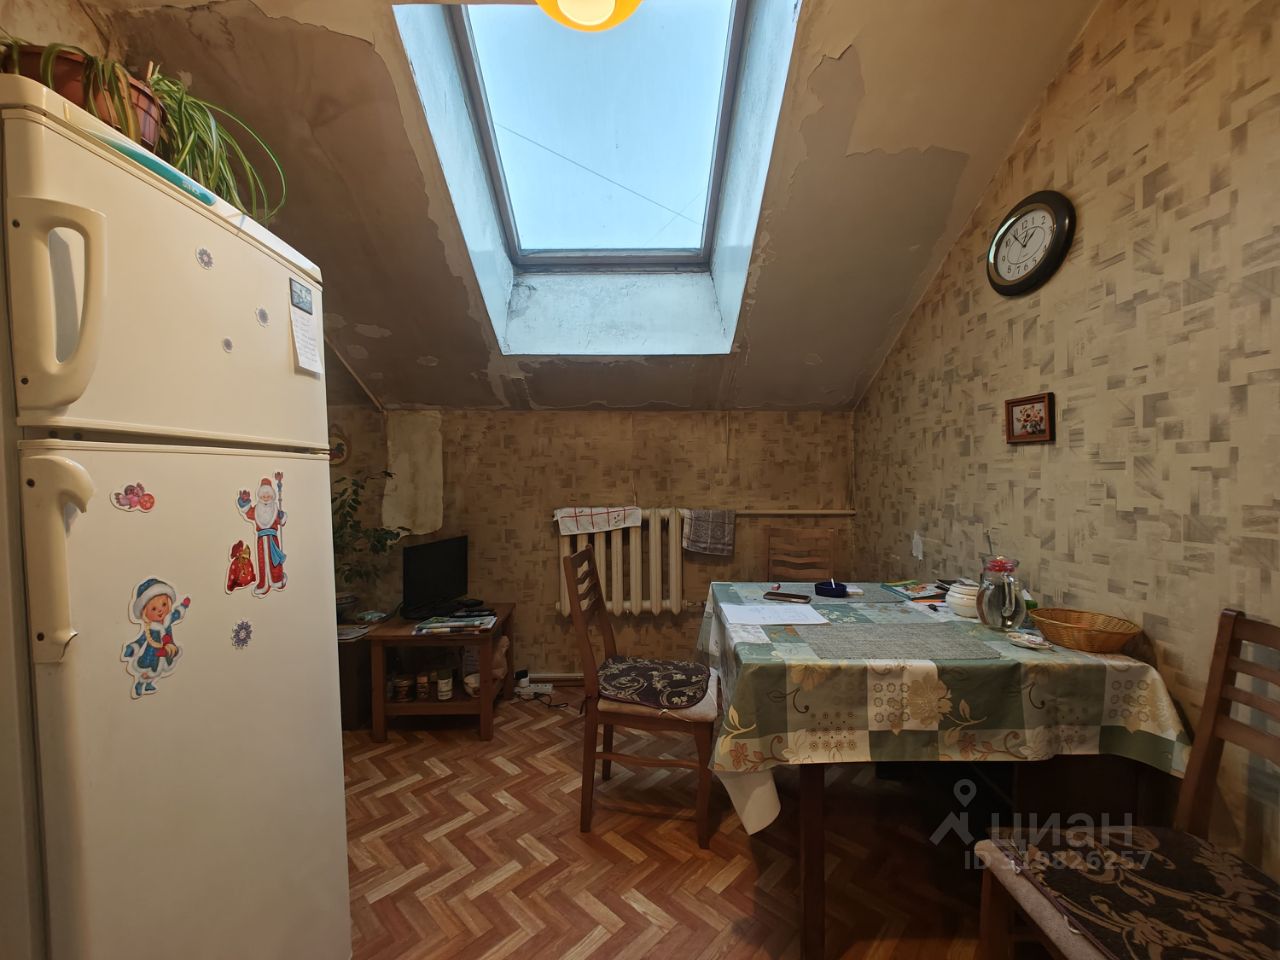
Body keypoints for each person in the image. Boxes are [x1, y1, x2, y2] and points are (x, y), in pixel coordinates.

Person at [122, 578, 190, 699]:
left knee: (160, 670)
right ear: (144, 612)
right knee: (150, 671)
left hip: (167, 651)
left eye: (163, 604)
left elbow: (177, 614)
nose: (160, 610)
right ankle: (140, 684)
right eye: (153, 609)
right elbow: (141, 640)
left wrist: (183, 606)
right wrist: (132, 648)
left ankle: (149, 685)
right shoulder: (150, 628)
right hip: (152, 654)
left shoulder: (168, 620)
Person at [236, 474, 287, 596]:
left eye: (268, 495)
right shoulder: (257, 509)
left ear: (272, 496)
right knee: (262, 561)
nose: (266, 497)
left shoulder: (275, 509)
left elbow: (281, 520)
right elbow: (248, 512)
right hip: (260, 540)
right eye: (263, 495)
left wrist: (281, 516)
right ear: (259, 496)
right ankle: (263, 583)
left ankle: (277, 580)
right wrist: (244, 502)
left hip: (273, 539)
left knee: (274, 560)